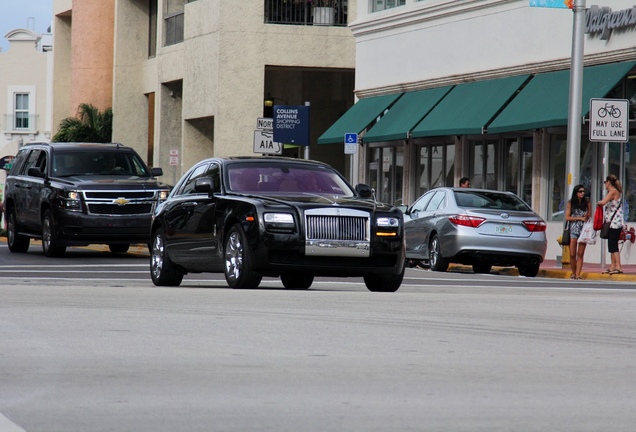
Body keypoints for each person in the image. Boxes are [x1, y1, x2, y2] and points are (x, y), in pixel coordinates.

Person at [597, 174, 624, 275]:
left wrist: (598, 202)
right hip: (612, 222)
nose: (605, 184)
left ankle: (618, 266)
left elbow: (603, 202)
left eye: (605, 182)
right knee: (611, 244)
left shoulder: (613, 192)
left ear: (608, 182)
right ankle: (612, 266)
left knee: (613, 245)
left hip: (614, 223)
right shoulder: (615, 192)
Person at [565, 184, 591, 280]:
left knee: (580, 253)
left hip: (583, 230)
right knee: (572, 254)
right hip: (573, 229)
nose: (582, 193)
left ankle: (578, 274)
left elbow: (589, 216)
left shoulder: (587, 203)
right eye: (580, 191)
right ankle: (573, 272)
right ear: (576, 193)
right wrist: (579, 218)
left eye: (583, 191)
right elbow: (567, 217)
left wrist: (587, 214)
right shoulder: (570, 203)